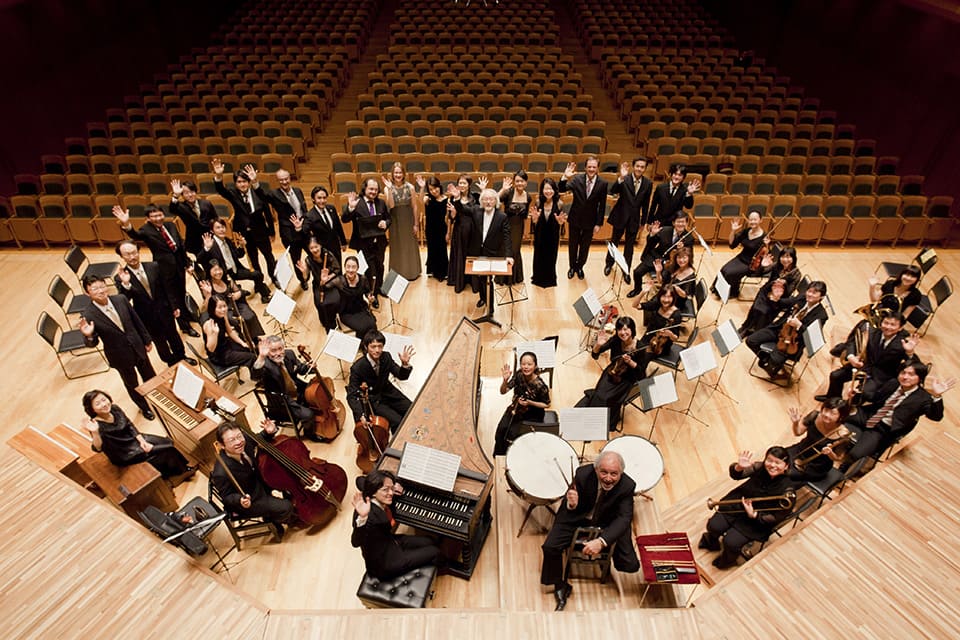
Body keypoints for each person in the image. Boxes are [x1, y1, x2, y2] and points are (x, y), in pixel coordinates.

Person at [540, 451, 640, 611]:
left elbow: (624, 518)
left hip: (608, 522)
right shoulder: (582, 474)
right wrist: (572, 504)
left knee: (630, 565)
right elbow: (572, 500)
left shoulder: (628, 485)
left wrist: (601, 542)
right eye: (604, 472)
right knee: (550, 547)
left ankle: (608, 561)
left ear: (621, 472)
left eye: (614, 474)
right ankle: (560, 585)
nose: (608, 478)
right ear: (596, 469)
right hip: (579, 515)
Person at [698, 447, 796, 569]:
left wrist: (754, 515)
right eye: (769, 460)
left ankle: (728, 560)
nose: (772, 465)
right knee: (714, 525)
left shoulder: (788, 491)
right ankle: (711, 543)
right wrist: (739, 467)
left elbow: (777, 517)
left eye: (778, 462)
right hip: (737, 505)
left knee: (730, 542)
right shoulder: (759, 467)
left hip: (755, 520)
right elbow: (736, 475)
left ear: (786, 466)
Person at [79, 275, 157, 420]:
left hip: (137, 345)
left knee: (150, 376)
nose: (101, 291)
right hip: (119, 355)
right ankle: (144, 408)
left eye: (102, 286)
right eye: (95, 289)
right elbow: (92, 343)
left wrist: (146, 339)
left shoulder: (120, 299)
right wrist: (89, 336)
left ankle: (159, 401)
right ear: (87, 293)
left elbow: (136, 320)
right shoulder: (88, 314)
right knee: (132, 384)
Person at [844, 359, 954, 461]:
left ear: (920, 378)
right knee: (836, 413)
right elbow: (875, 398)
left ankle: (842, 470)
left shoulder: (923, 398)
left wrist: (937, 396)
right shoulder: (893, 383)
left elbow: (936, 417)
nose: (905, 377)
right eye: (903, 373)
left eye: (911, 374)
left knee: (855, 455)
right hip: (869, 415)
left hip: (883, 430)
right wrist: (857, 393)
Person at [113, 203, 196, 336]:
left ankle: (187, 315)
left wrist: (187, 263)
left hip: (179, 267)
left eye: (159, 215)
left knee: (181, 292)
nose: (158, 218)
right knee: (173, 298)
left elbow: (179, 245)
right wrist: (126, 223)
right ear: (148, 219)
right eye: (153, 216)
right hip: (162, 271)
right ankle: (184, 326)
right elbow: (135, 235)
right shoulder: (146, 230)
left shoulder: (171, 225)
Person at [114, 240, 195, 367]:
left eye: (134, 252)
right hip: (146, 316)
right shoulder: (120, 277)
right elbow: (124, 300)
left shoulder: (154, 266)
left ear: (138, 251)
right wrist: (126, 285)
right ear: (121, 256)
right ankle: (171, 362)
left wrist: (174, 306)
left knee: (173, 335)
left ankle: (182, 357)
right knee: (160, 342)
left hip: (165, 309)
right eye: (127, 254)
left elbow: (167, 288)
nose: (132, 257)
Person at [351, 470, 441, 580]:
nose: (391, 493)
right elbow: (355, 542)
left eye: (391, 488)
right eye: (385, 490)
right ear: (373, 492)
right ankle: (443, 569)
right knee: (434, 552)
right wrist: (363, 518)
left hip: (390, 542)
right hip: (385, 564)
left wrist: (396, 485)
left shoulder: (372, 490)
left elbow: (359, 480)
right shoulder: (366, 514)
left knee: (430, 540)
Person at [211, 420, 294, 540]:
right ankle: (273, 519)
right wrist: (240, 500)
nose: (239, 442)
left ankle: (279, 512)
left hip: (257, 480)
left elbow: (259, 438)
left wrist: (268, 432)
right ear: (222, 445)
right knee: (286, 507)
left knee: (287, 478)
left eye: (239, 436)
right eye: (232, 440)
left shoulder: (243, 441)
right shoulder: (221, 472)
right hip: (249, 499)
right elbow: (227, 497)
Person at [81, 389, 192, 479]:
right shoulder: (96, 425)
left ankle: (170, 467)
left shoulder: (114, 409)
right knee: (168, 448)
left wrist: (142, 441)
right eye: (98, 404)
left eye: (104, 399)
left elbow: (129, 424)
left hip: (134, 439)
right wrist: (95, 433)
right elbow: (98, 448)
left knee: (167, 441)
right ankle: (182, 471)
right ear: (92, 409)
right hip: (125, 452)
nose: (104, 404)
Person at [212, 159, 280, 288]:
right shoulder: (233, 194)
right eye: (239, 182)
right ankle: (259, 283)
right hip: (246, 234)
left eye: (244, 181)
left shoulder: (258, 192)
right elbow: (221, 189)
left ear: (249, 182)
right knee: (253, 259)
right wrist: (219, 175)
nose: (242, 184)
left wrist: (271, 231)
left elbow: (268, 213)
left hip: (261, 231)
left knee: (269, 256)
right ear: (236, 183)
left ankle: (274, 276)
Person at [575, 316, 650, 432]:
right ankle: (593, 418)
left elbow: (641, 375)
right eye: (620, 329)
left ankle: (603, 421)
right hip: (612, 371)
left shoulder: (640, 347)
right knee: (599, 393)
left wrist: (630, 362)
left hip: (627, 379)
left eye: (626, 329)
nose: (623, 333)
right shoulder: (616, 340)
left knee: (606, 397)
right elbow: (595, 355)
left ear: (632, 330)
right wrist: (599, 344)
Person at [817, 314, 916, 402]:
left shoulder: (903, 343)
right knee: (836, 375)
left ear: (900, 328)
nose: (888, 327)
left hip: (881, 374)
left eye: (893, 325)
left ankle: (849, 407)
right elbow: (852, 343)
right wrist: (851, 357)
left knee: (864, 393)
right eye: (886, 323)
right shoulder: (872, 332)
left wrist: (910, 352)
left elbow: (913, 363)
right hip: (864, 365)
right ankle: (832, 399)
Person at [746, 280, 829, 378]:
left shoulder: (822, 315)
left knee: (775, 362)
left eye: (814, 293)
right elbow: (785, 303)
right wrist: (776, 298)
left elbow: (811, 336)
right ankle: (767, 360)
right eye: (809, 291)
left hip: (793, 341)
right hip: (779, 329)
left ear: (821, 297)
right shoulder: (802, 298)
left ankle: (773, 364)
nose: (810, 294)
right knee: (750, 340)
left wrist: (799, 325)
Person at [252, 335, 321, 441]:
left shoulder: (289, 354)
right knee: (308, 414)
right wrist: (261, 357)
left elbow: (300, 368)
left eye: (280, 349)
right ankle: (309, 434)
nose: (278, 353)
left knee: (315, 396)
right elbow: (255, 376)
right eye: (273, 350)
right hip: (282, 401)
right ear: (267, 352)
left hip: (296, 389)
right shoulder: (265, 365)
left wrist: (309, 367)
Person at [346, 330, 413, 435]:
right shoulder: (357, 368)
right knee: (397, 421)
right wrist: (361, 414)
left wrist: (404, 365)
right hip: (373, 400)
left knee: (411, 409)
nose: (377, 350)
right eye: (373, 346)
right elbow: (351, 396)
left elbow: (400, 375)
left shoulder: (386, 357)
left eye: (380, 346)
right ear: (366, 347)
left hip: (388, 392)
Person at [197, 218, 273, 304]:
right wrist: (206, 248)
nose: (221, 230)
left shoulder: (228, 240)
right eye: (218, 228)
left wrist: (241, 246)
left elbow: (238, 255)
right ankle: (240, 292)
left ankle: (265, 296)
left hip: (235, 270)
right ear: (212, 231)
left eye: (223, 227)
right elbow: (199, 260)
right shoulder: (210, 244)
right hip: (222, 276)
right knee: (239, 297)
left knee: (257, 274)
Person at [342, 178, 390, 309]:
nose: (373, 192)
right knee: (370, 271)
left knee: (380, 267)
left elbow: (388, 218)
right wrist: (350, 208)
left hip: (379, 243)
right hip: (363, 244)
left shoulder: (381, 203)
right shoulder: (356, 202)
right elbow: (345, 218)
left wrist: (386, 223)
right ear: (365, 189)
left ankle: (379, 288)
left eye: (375, 189)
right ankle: (371, 294)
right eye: (371, 189)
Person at [492, 351, 551, 456]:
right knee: (500, 431)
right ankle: (500, 457)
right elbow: (503, 391)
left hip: (532, 414)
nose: (526, 367)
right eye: (523, 364)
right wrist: (505, 381)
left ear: (535, 366)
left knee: (513, 435)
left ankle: (513, 457)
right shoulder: (519, 375)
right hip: (516, 408)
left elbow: (547, 404)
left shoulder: (540, 385)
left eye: (529, 364)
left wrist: (529, 402)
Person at [559, 157, 608, 280]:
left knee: (585, 247)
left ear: (597, 169)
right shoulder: (577, 179)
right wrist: (565, 177)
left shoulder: (603, 183)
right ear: (585, 168)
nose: (591, 169)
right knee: (573, 245)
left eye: (594, 167)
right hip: (575, 218)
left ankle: (580, 267)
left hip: (590, 221)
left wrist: (599, 223)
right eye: (589, 167)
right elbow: (562, 189)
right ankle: (572, 267)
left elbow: (602, 205)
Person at [605, 157, 652, 281]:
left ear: (645, 169)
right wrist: (620, 178)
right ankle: (609, 264)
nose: (639, 169)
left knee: (629, 247)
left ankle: (626, 270)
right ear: (633, 166)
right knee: (614, 242)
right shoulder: (625, 178)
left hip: (634, 219)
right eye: (637, 166)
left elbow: (646, 204)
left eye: (642, 167)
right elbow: (613, 191)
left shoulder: (648, 183)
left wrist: (643, 222)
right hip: (620, 215)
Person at [261, 169, 309, 290]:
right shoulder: (274, 194)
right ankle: (303, 280)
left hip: (303, 229)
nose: (284, 182)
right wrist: (255, 182)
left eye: (286, 179)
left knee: (313, 253)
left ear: (290, 178)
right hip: (289, 234)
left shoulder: (298, 191)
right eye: (281, 180)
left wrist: (307, 224)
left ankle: (315, 276)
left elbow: (304, 209)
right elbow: (262, 195)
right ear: (278, 181)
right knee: (296, 259)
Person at [737, 246, 801, 337]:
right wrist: (762, 266)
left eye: (788, 257)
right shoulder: (776, 265)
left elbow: (789, 292)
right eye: (783, 257)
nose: (785, 260)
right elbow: (759, 273)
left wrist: (784, 284)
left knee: (764, 312)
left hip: (778, 298)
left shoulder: (796, 274)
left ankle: (756, 332)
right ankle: (746, 327)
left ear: (793, 258)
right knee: (755, 308)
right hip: (766, 291)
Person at [626, 212, 695, 296]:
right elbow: (651, 244)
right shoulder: (665, 230)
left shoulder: (689, 238)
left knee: (665, 279)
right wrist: (652, 235)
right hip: (656, 256)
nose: (680, 224)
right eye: (678, 222)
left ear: (686, 223)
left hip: (671, 262)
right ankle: (637, 289)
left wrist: (682, 249)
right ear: (673, 223)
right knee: (637, 272)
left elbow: (689, 256)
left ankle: (661, 296)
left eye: (683, 222)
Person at [198, 259, 264, 341]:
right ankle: (244, 340)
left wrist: (237, 294)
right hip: (222, 310)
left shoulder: (227, 279)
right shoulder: (208, 284)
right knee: (236, 322)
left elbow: (238, 291)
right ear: (209, 271)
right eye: (215, 270)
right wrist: (208, 295)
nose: (218, 272)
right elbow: (205, 308)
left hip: (234, 304)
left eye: (220, 269)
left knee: (250, 316)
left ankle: (254, 338)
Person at [786, 398, 849, 482]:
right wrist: (795, 423)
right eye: (825, 410)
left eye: (832, 413)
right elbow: (798, 433)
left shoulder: (843, 434)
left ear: (841, 417)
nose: (826, 414)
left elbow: (838, 458)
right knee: (778, 456)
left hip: (817, 464)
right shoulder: (815, 415)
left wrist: (830, 453)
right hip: (801, 449)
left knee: (788, 472)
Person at [470, 188, 513, 309]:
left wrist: (509, 255)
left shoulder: (502, 216)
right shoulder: (476, 212)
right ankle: (483, 298)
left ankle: (491, 308)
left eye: (491, 199)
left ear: (496, 201)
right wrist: (457, 198)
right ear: (481, 201)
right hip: (477, 251)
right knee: (480, 277)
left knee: (488, 279)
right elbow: (463, 209)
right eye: (485, 199)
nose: (488, 202)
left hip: (493, 252)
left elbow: (507, 237)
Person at [712, 210, 767, 298]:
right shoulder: (747, 231)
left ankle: (732, 292)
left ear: (761, 220)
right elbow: (732, 244)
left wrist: (766, 244)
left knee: (730, 273)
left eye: (755, 219)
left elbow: (766, 255)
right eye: (750, 219)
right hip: (741, 258)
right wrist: (733, 231)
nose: (752, 222)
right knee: (724, 269)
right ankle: (719, 290)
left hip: (751, 264)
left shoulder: (764, 237)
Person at [382, 163, 421, 281]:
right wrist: (389, 189)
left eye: (400, 172)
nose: (398, 175)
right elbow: (391, 205)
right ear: (392, 174)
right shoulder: (387, 188)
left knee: (409, 245)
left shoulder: (410, 187)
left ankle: (411, 272)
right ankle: (397, 273)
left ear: (404, 174)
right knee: (397, 246)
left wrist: (416, 224)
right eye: (396, 173)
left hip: (408, 220)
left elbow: (414, 206)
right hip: (395, 220)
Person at [295, 236, 342, 331]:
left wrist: (328, 277)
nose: (314, 250)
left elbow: (337, 269)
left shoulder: (328, 255)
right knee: (320, 304)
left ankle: (333, 318)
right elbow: (306, 278)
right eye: (311, 248)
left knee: (336, 301)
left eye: (316, 246)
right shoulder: (308, 260)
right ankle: (326, 322)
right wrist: (304, 272)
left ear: (320, 245)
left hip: (331, 282)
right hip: (318, 284)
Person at [529, 177, 566, 289]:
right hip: (540, 234)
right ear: (542, 190)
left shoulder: (559, 203)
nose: (548, 191)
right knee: (538, 256)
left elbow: (561, 221)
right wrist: (534, 220)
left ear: (554, 190)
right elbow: (535, 221)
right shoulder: (538, 202)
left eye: (550, 189)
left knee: (551, 257)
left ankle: (550, 279)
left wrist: (560, 223)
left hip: (553, 235)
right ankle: (537, 278)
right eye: (546, 189)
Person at [202, 294, 256, 369]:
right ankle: (257, 377)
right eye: (220, 307)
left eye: (224, 306)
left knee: (251, 348)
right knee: (251, 357)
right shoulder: (209, 325)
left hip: (226, 344)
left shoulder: (223, 316)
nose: (223, 309)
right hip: (219, 355)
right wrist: (215, 334)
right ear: (213, 308)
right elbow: (211, 349)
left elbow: (230, 332)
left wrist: (242, 343)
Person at [330, 255, 377, 337]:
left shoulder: (363, 279)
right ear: (344, 267)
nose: (350, 270)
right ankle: (362, 345)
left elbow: (367, 292)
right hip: (346, 312)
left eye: (353, 267)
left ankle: (369, 345)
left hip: (361, 308)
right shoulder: (339, 281)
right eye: (348, 267)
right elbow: (324, 288)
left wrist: (370, 298)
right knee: (362, 328)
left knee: (372, 324)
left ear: (358, 268)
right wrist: (323, 281)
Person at [301, 185, 347, 269]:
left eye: (324, 198)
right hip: (322, 250)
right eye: (319, 198)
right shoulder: (309, 216)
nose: (322, 201)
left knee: (338, 269)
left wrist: (343, 242)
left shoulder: (331, 208)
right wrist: (298, 228)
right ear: (313, 199)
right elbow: (305, 232)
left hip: (335, 247)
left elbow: (338, 226)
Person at [446, 174, 479, 293]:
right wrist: (454, 212)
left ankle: (472, 281)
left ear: (469, 185)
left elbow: (475, 212)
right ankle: (460, 282)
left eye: (464, 183)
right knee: (460, 255)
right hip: (459, 230)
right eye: (460, 183)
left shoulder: (475, 197)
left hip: (473, 230)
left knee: (471, 255)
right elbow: (451, 217)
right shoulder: (452, 198)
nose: (462, 185)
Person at [169, 178, 217, 257]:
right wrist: (175, 195)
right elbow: (172, 209)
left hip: (209, 237)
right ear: (182, 195)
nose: (190, 195)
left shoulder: (206, 203)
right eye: (186, 193)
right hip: (193, 240)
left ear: (196, 192)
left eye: (192, 192)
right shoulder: (181, 206)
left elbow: (215, 218)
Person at [498, 170, 530, 284]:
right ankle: (502, 278)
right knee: (505, 249)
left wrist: (526, 231)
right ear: (514, 182)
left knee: (515, 251)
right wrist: (503, 189)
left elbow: (526, 216)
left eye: (522, 181)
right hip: (506, 226)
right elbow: (496, 201)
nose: (519, 183)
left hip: (519, 227)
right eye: (517, 181)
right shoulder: (508, 193)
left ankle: (514, 277)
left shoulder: (528, 196)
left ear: (526, 182)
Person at [419, 175, 449, 281]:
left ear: (439, 187)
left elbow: (448, 218)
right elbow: (420, 200)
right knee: (432, 250)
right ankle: (433, 271)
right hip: (431, 229)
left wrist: (448, 232)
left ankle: (443, 272)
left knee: (442, 250)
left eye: (435, 188)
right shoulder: (428, 199)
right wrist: (422, 188)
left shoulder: (446, 199)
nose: (434, 191)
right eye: (431, 189)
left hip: (442, 229)